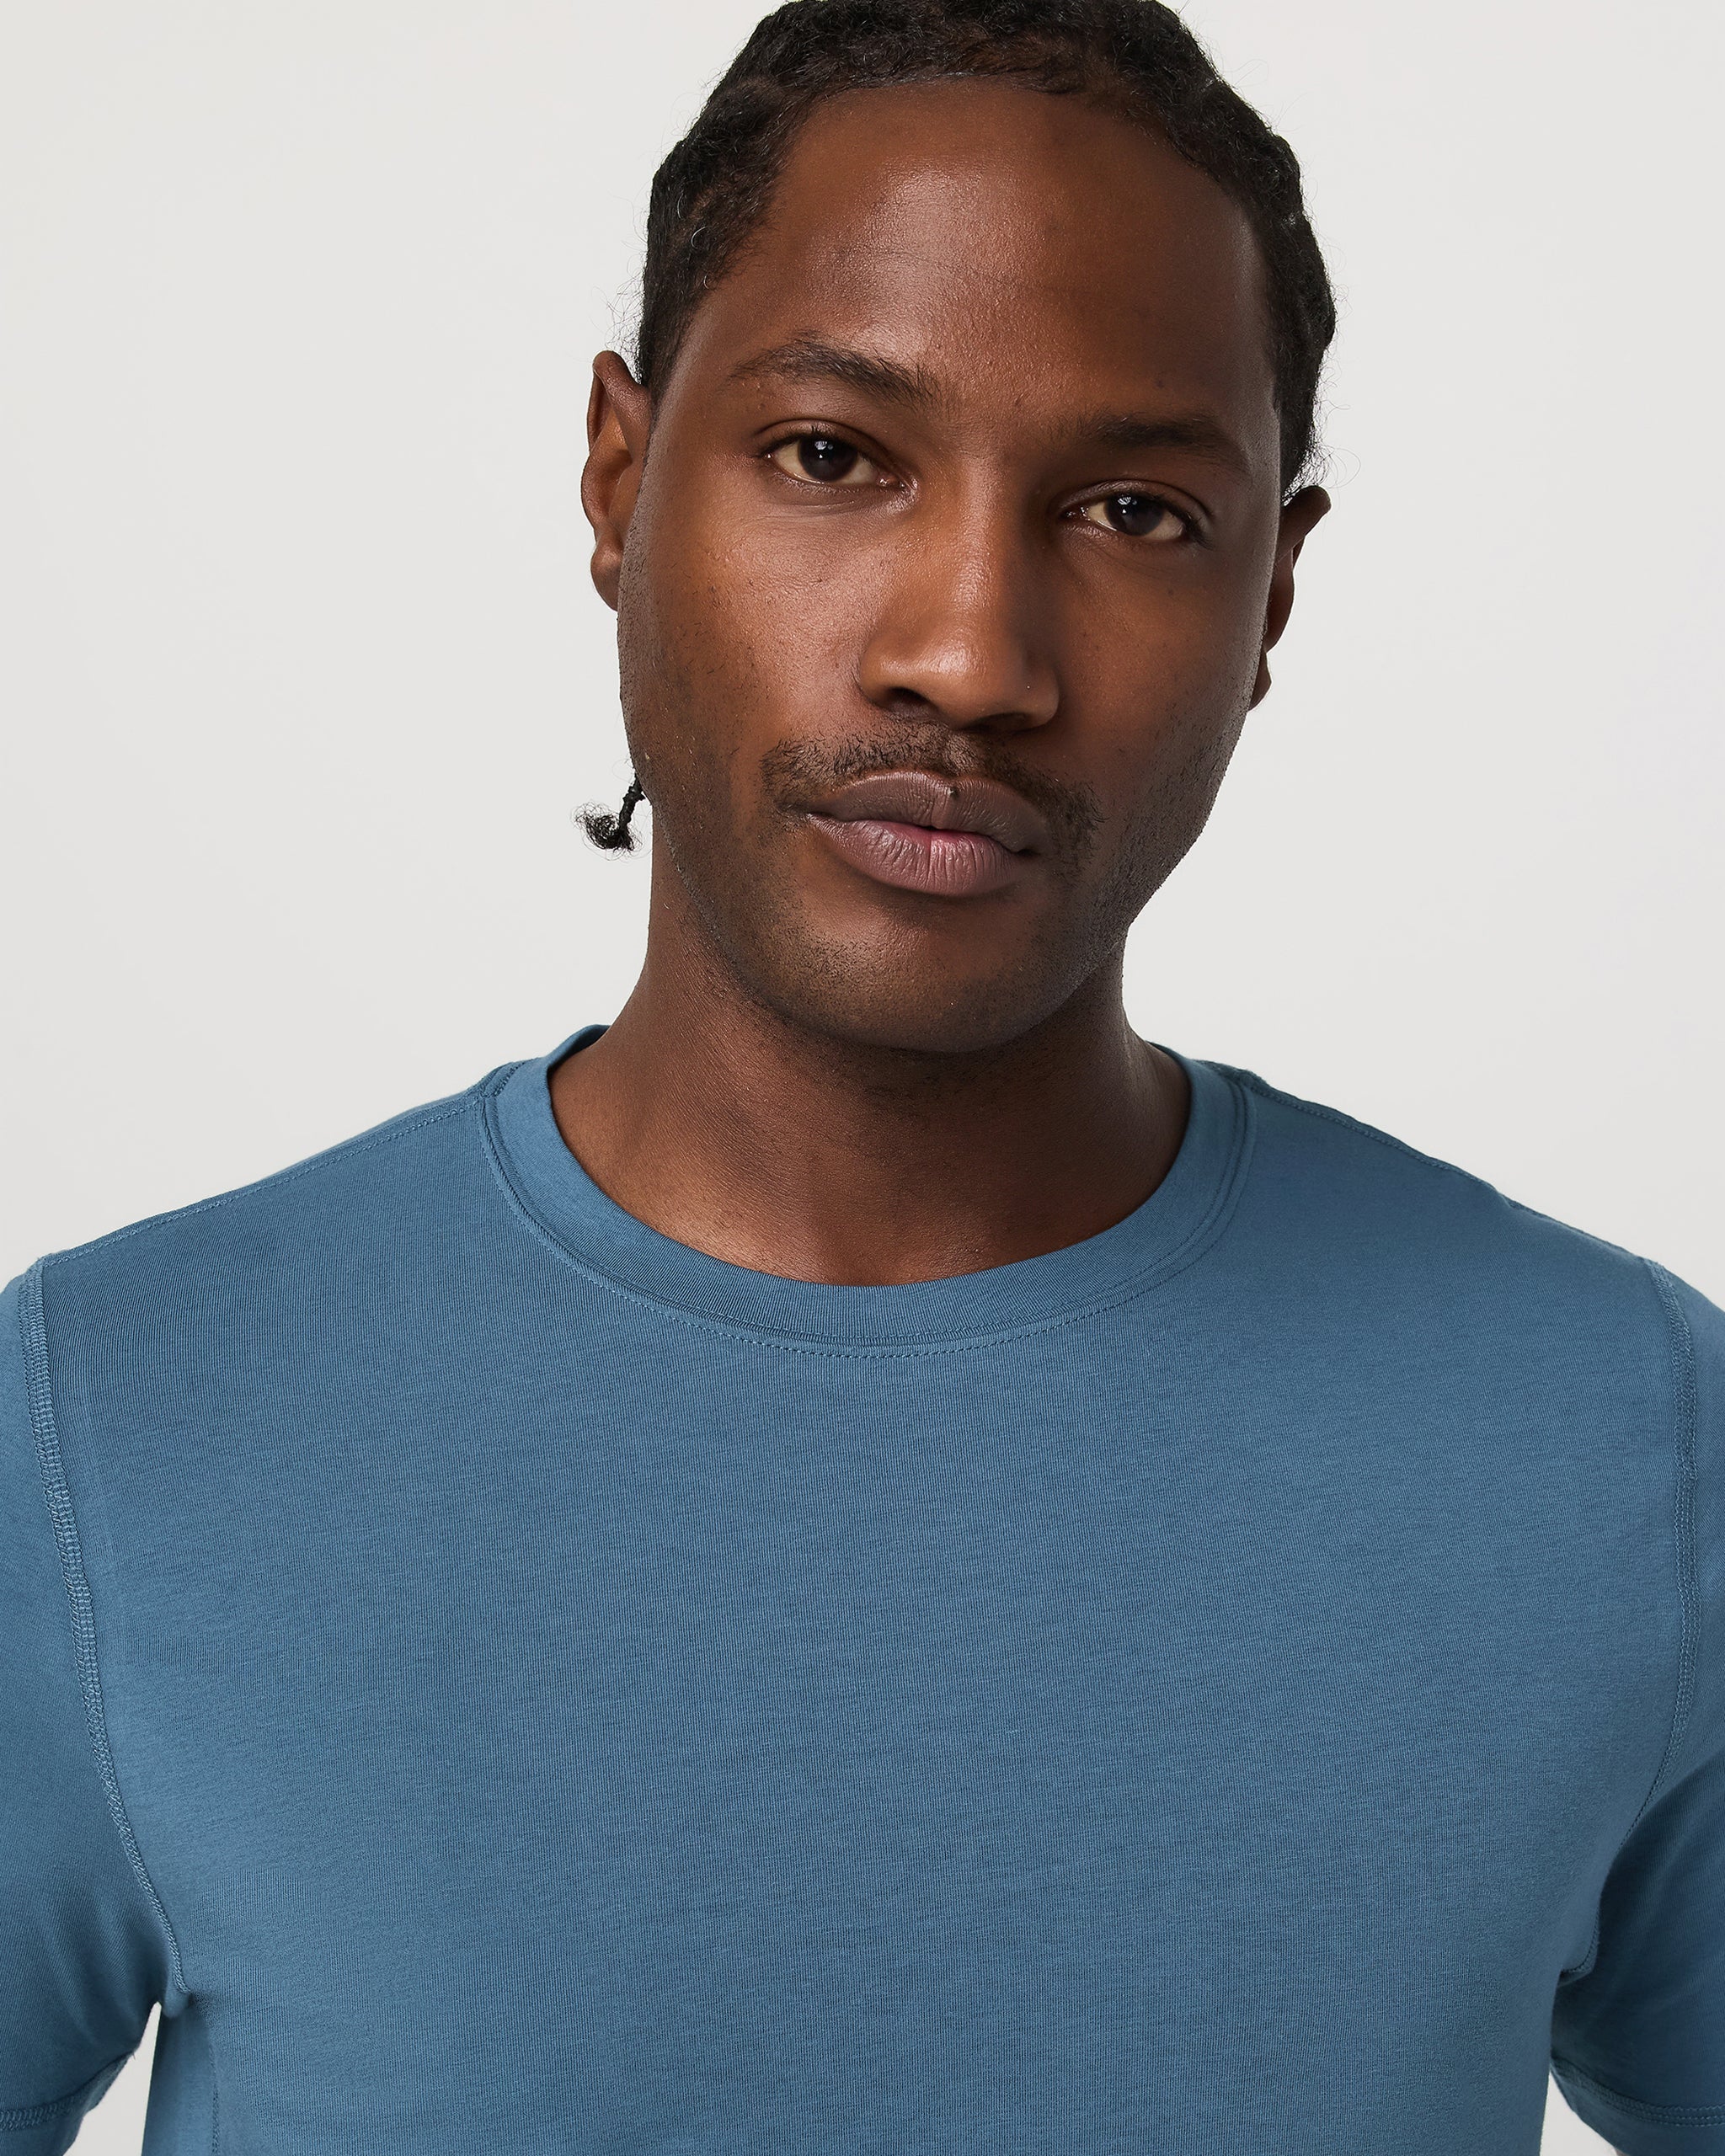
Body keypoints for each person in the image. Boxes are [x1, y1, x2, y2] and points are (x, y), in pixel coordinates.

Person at [2, 1, 1717, 2149]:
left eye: (1133, 509)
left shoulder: (1621, 1435)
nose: (968, 654)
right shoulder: (109, 1426)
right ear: (619, 476)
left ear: (1274, 594)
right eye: (832, 456)